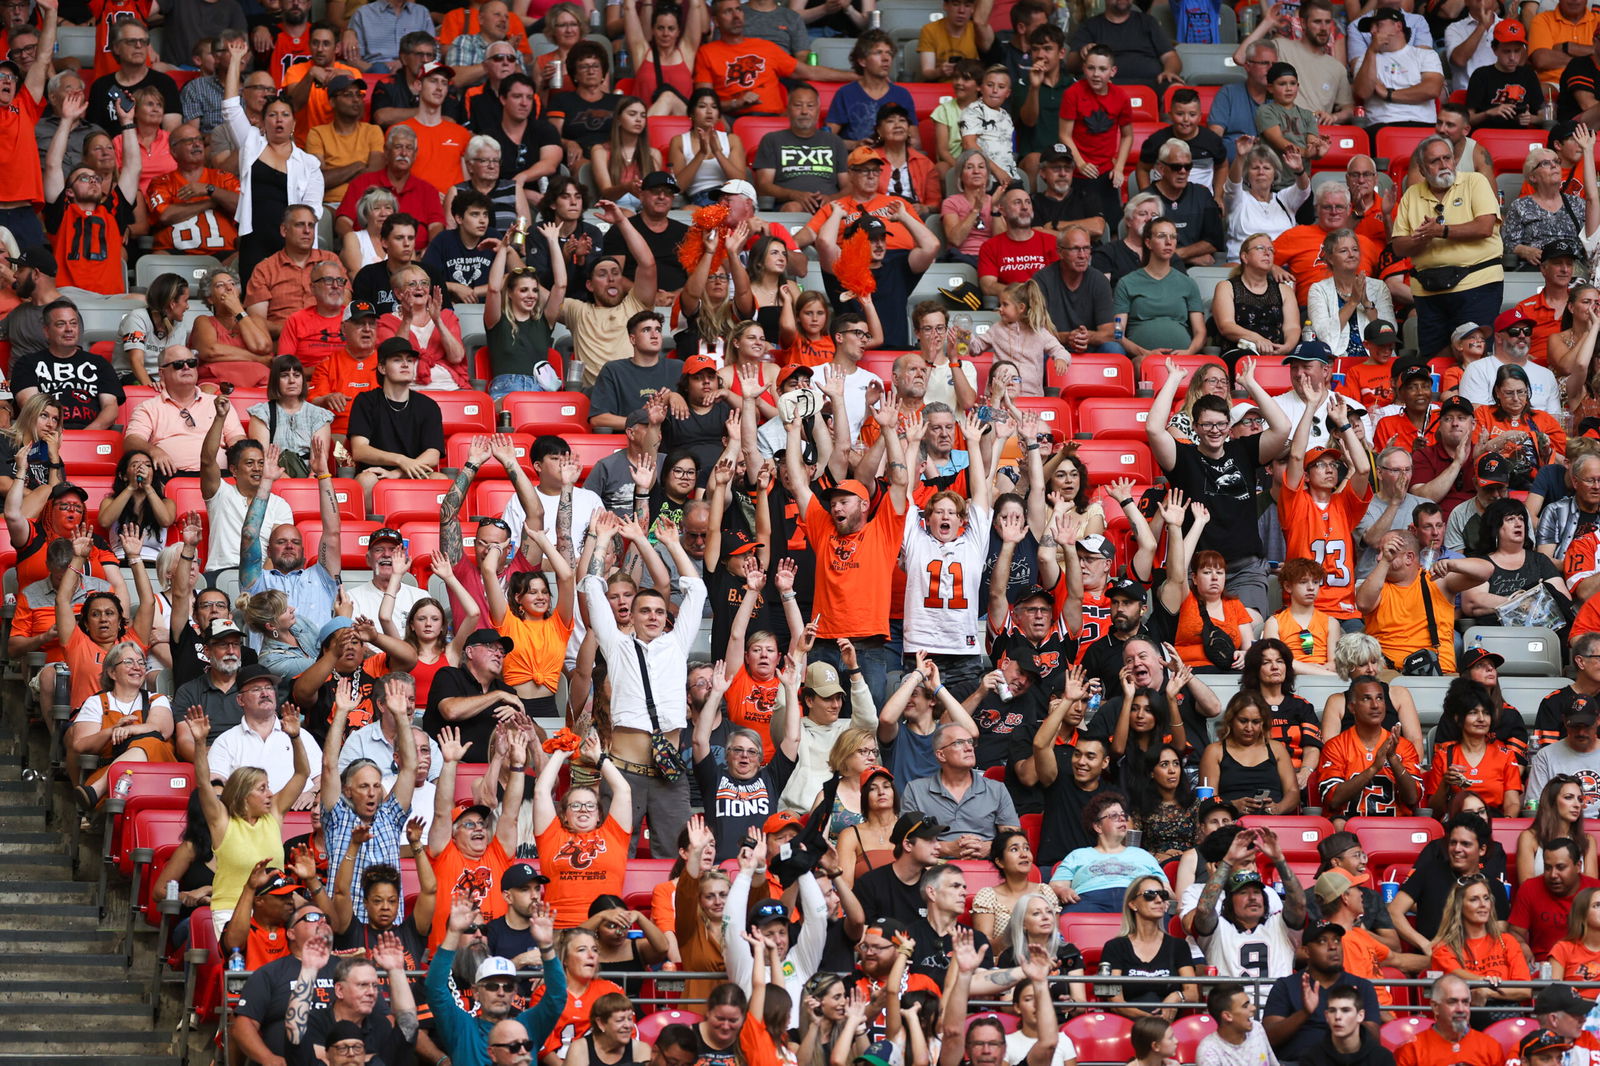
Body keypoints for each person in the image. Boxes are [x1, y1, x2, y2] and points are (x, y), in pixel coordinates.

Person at [184, 689, 310, 938]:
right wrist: (199, 743)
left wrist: (295, 737)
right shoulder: (222, 822)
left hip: (274, 912)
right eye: (262, 789)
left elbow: (301, 774)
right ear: (242, 795)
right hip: (230, 912)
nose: (270, 794)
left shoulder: (273, 815)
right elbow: (204, 782)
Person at [1193, 827, 1308, 1006]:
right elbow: (1204, 909)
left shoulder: (1280, 926)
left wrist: (1279, 860)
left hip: (1277, 1010)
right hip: (1231, 1012)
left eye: (1257, 892)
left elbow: (1299, 903)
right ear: (1229, 902)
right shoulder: (1219, 929)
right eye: (1243, 892)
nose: (1252, 897)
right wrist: (1228, 861)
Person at [1198, 693, 1301, 814]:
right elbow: (1207, 800)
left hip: (1273, 821)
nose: (1249, 728)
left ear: (1263, 723)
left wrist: (1278, 808)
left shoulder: (1277, 749)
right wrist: (1232, 805)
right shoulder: (1215, 751)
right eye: (1243, 721)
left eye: (1256, 722)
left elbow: (1293, 792)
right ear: (1231, 720)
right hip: (1231, 821)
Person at [1299, 984, 1397, 1066]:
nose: (1337, 1016)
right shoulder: (1311, 1057)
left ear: (1360, 1015)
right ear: (1326, 1016)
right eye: (1332, 1010)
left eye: (1345, 1010)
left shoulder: (1382, 1058)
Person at [1196, 984, 1279, 1066]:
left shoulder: (1257, 1028)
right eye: (1245, 1006)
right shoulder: (1208, 1053)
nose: (1253, 1008)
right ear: (1227, 1016)